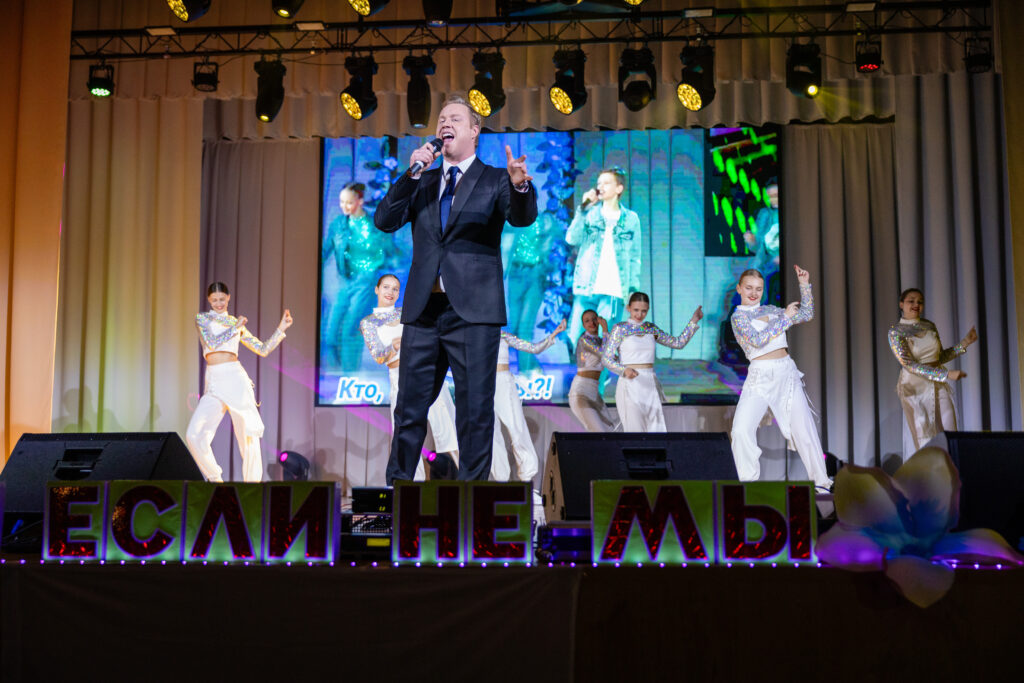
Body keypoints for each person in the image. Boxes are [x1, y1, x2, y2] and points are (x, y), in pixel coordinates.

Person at [374, 94, 537, 484]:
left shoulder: (495, 178)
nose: (445, 124)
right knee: (409, 409)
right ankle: (399, 490)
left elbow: (522, 218)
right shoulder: (424, 180)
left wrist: (519, 187)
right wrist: (412, 173)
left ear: (474, 131)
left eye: (455, 119)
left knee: (474, 410)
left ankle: (471, 500)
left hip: (474, 313)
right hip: (423, 311)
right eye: (441, 119)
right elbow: (384, 220)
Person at [729, 266, 831, 490]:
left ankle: (822, 483)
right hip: (760, 376)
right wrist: (784, 317)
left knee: (804, 429)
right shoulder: (739, 317)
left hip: (786, 372)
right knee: (741, 430)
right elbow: (758, 340)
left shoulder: (771, 310)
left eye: (758, 288)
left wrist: (804, 285)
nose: (754, 293)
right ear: (739, 288)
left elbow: (806, 314)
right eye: (749, 288)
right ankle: (747, 483)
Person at [186, 282, 292, 482]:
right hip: (214, 381)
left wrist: (281, 329)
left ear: (228, 297)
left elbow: (262, 349)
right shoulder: (203, 319)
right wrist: (235, 327)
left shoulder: (236, 323)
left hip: (235, 378)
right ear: (209, 300)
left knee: (248, 437)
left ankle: (252, 486)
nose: (219, 303)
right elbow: (212, 342)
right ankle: (215, 480)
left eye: (222, 299)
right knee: (194, 434)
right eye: (214, 300)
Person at [360, 274, 460, 481]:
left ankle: (468, 485)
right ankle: (408, 489)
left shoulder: (408, 313)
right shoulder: (368, 322)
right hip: (399, 377)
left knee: (449, 431)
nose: (390, 292)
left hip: (426, 372)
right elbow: (378, 356)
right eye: (386, 287)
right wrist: (395, 345)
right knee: (406, 439)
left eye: (395, 289)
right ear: (377, 289)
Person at [490, 320, 566, 525]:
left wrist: (553, 335)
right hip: (482, 385)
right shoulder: (474, 336)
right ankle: (500, 484)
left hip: (504, 382)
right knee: (492, 436)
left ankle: (526, 483)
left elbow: (533, 348)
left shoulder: (504, 336)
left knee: (517, 429)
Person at [888, 287, 978, 457]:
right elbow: (909, 365)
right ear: (901, 304)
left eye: (920, 302)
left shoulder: (929, 326)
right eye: (911, 301)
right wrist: (946, 375)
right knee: (925, 438)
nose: (916, 304)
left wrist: (965, 343)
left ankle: (953, 470)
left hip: (937, 383)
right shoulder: (896, 332)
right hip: (915, 387)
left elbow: (940, 357)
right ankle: (929, 472)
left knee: (950, 433)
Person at [602, 292, 702, 432]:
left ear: (648, 309)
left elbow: (678, 343)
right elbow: (606, 358)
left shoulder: (651, 328)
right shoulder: (620, 329)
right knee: (635, 432)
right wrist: (623, 370)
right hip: (629, 384)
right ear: (628, 308)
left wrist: (694, 321)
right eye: (636, 310)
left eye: (644, 311)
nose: (639, 314)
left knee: (656, 432)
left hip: (649, 384)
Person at [565, 167, 642, 343]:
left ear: (619, 188)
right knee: (576, 338)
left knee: (604, 343)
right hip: (587, 288)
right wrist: (582, 210)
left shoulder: (631, 219)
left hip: (613, 291)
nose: (600, 187)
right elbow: (571, 239)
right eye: (599, 183)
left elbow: (634, 257)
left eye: (606, 183)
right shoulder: (589, 214)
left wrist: (632, 290)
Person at [322, 182, 390, 371]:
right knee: (331, 334)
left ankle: (349, 373)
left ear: (360, 201)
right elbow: (325, 249)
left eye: (349, 202)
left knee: (350, 329)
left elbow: (389, 250)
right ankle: (337, 372)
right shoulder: (339, 224)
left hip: (366, 281)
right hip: (346, 280)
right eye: (341, 202)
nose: (344, 206)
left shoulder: (374, 224)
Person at [569, 309, 619, 432]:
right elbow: (606, 355)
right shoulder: (584, 340)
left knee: (611, 430)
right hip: (580, 393)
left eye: (594, 319)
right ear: (583, 325)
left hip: (594, 393)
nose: (591, 323)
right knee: (599, 432)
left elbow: (614, 358)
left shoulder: (600, 341)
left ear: (598, 320)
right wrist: (605, 329)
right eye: (587, 321)